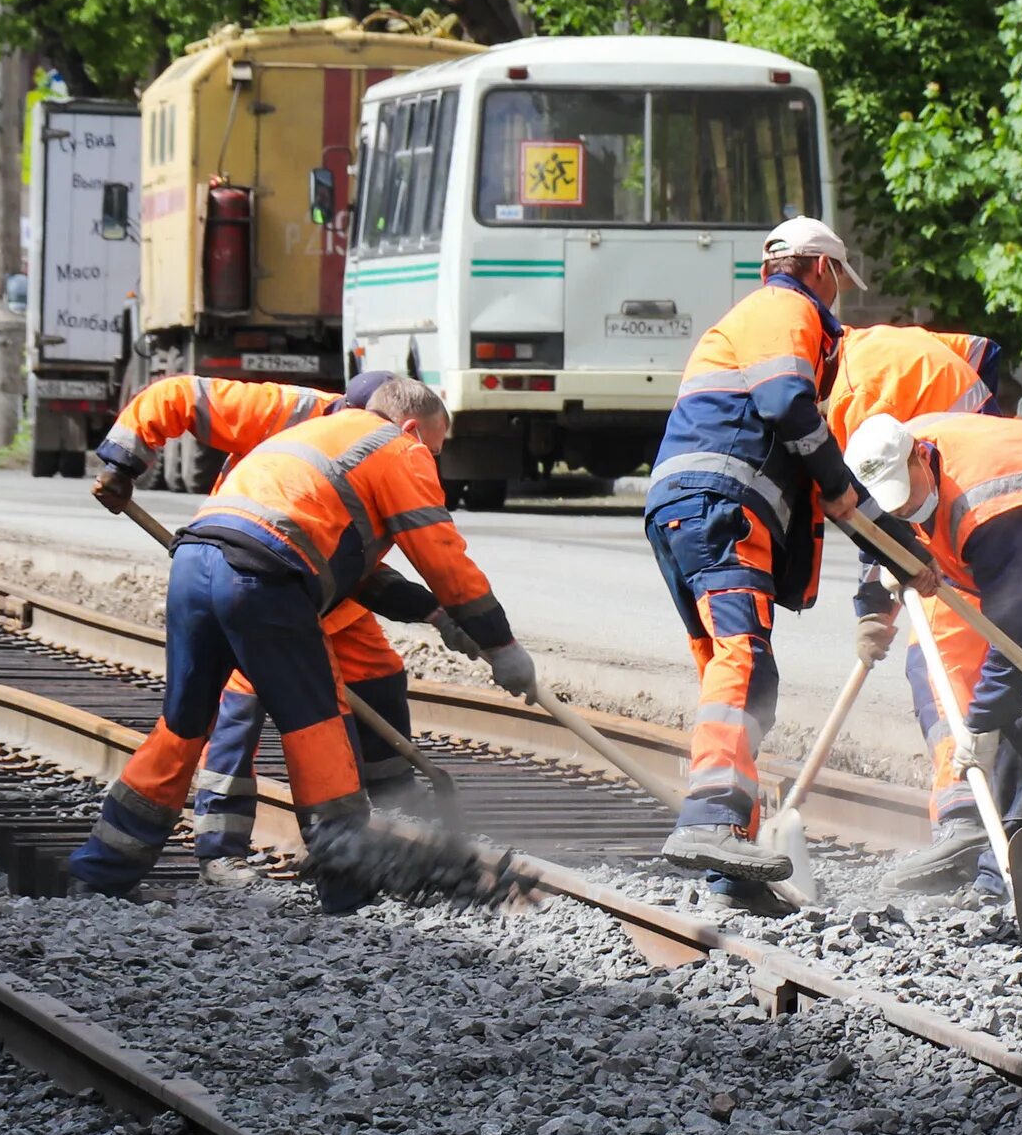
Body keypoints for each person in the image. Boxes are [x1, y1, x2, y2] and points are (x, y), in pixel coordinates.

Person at [67, 379, 534, 909]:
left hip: (197, 562)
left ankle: (101, 872)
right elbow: (442, 555)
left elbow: (348, 565)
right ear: (410, 428)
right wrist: (502, 646)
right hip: (264, 580)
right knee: (318, 728)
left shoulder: (314, 433)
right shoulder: (398, 448)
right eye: (433, 447)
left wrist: (434, 613)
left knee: (182, 727)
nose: (431, 460)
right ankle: (345, 886)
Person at [91, 369, 438, 872]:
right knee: (245, 697)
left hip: (328, 583)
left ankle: (395, 819)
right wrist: (122, 465)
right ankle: (222, 849)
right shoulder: (290, 411)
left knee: (378, 672)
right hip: (255, 577)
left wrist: (428, 607)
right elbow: (176, 395)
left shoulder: (393, 450)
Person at [640, 216, 870, 884]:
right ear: (821, 270)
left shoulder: (754, 315)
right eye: (837, 284)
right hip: (720, 508)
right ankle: (710, 819)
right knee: (741, 660)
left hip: (692, 509)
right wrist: (838, 483)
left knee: (741, 672)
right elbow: (785, 403)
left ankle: (729, 867)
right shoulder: (785, 308)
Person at [845, 413, 1022, 895]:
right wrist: (872, 607)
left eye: (906, 495)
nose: (903, 510)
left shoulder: (989, 507)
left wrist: (981, 724)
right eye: (893, 506)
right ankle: (1014, 871)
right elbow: (878, 537)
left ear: (920, 456)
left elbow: (1015, 633)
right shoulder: (891, 473)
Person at [825, 324, 1012, 446]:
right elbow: (985, 350)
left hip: (962, 455)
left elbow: (856, 488)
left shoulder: (850, 398)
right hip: (990, 439)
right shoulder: (876, 335)